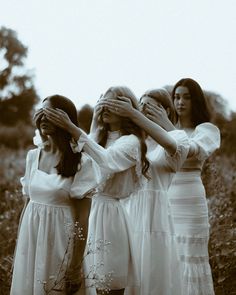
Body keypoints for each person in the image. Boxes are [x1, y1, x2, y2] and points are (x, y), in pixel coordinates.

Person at [43, 86, 149, 295]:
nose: (105, 107)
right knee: (80, 283)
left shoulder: (131, 142)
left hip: (109, 216)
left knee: (107, 284)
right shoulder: (97, 137)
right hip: (83, 213)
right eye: (102, 102)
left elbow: (108, 161)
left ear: (126, 107)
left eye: (112, 103)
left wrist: (73, 128)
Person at [97, 88, 190, 295]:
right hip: (127, 209)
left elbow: (172, 146)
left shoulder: (177, 138)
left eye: (149, 107)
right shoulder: (131, 140)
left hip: (155, 216)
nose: (141, 110)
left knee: (154, 270)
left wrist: (133, 114)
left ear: (166, 110)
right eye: (140, 105)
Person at [10, 95, 99, 295]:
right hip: (31, 237)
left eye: (49, 114)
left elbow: (82, 218)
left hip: (60, 239)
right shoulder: (33, 156)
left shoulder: (82, 162)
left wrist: (75, 264)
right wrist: (20, 248)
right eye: (40, 113)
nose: (42, 118)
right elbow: (27, 204)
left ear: (64, 119)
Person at [143, 79, 221, 294]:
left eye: (187, 97)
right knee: (168, 257)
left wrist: (165, 126)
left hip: (191, 201)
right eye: (177, 97)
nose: (180, 102)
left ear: (196, 101)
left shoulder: (206, 130)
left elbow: (189, 149)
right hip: (165, 200)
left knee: (190, 257)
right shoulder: (159, 134)